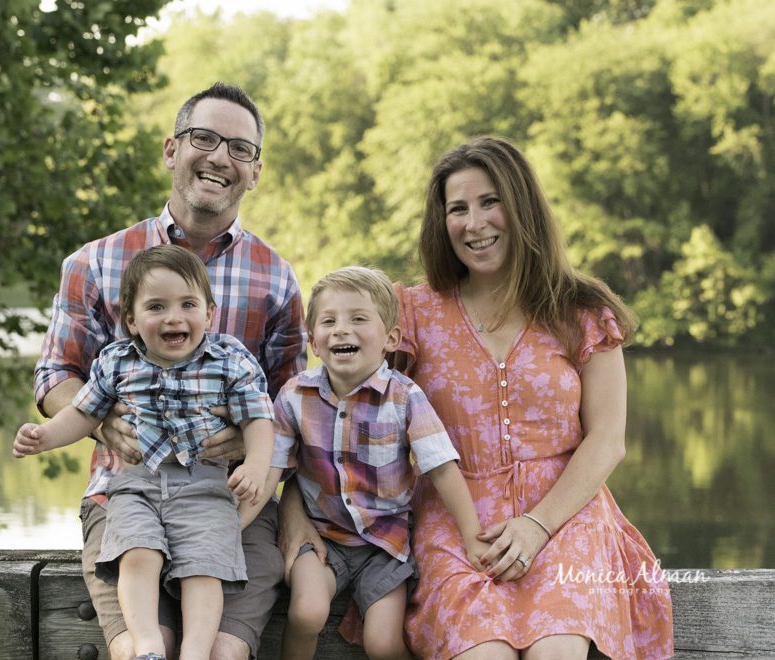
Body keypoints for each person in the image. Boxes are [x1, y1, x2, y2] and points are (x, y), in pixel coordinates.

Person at [281, 137, 674, 659]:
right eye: (457, 209)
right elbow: (324, 411)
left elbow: (607, 440)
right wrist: (293, 511)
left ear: (523, 206)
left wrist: (537, 526)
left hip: (567, 519)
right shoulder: (411, 313)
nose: (474, 223)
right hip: (456, 522)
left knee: (557, 652)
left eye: (491, 202)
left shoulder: (581, 311)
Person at [34, 82, 307, 660]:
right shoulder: (95, 262)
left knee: (221, 653)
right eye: (203, 138)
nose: (220, 158)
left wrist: (254, 442)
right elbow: (56, 373)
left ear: (255, 172)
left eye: (240, 148)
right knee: (142, 649)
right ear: (171, 149)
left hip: (232, 501)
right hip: (125, 493)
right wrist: (100, 422)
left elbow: (295, 400)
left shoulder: (276, 277)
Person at [16, 245, 280, 660]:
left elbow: (259, 419)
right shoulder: (117, 362)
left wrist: (257, 465)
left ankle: (195, 652)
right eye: (156, 307)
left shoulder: (229, 362)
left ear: (209, 314)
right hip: (137, 483)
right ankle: (148, 646)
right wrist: (45, 436)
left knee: (204, 568)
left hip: (204, 485)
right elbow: (84, 413)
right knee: (136, 552)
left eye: (188, 305)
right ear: (132, 321)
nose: (174, 317)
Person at [272, 266, 486, 660]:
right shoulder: (294, 396)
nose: (341, 330)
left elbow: (441, 467)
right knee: (306, 612)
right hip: (321, 536)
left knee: (383, 643)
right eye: (329, 321)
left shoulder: (404, 397)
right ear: (313, 341)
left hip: (385, 543)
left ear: (390, 338)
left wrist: (472, 537)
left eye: (358, 319)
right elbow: (271, 468)